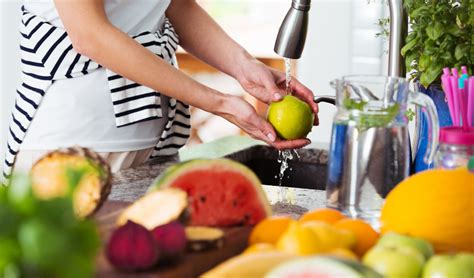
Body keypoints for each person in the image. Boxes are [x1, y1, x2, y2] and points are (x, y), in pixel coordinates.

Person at [3, 0, 319, 179]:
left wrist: (247, 70)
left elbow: (174, 4)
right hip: (75, 150)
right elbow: (90, 34)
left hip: (156, 147)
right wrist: (218, 102)